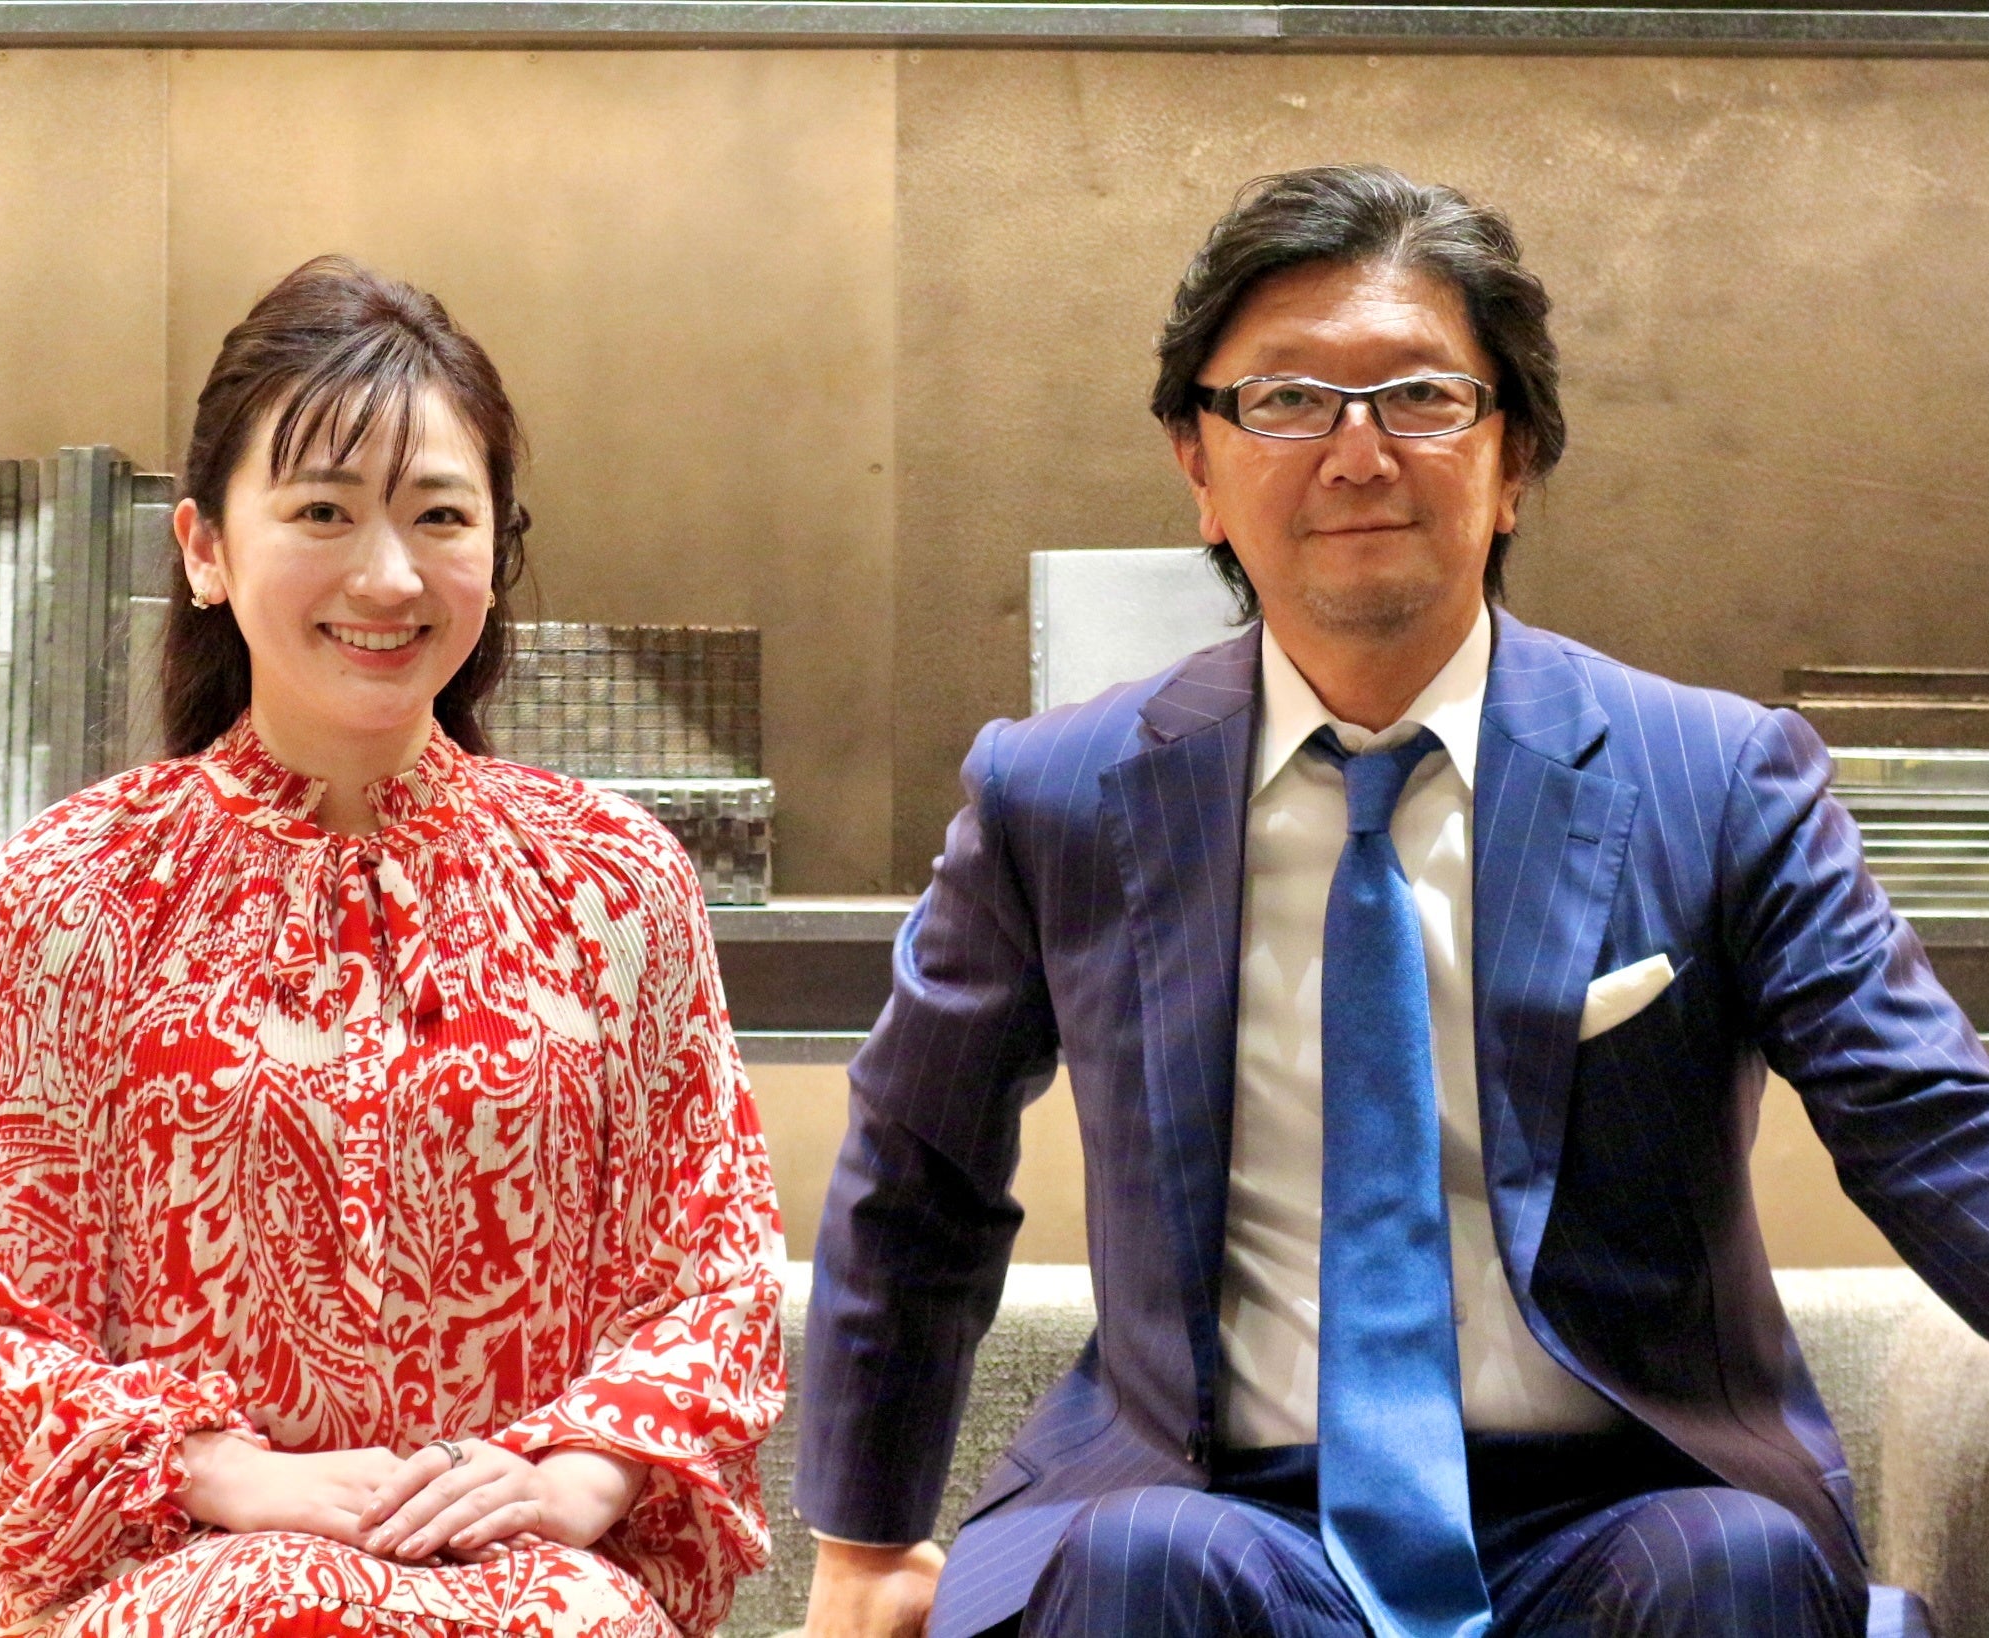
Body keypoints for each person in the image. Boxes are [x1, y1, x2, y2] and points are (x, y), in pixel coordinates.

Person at [795, 164, 1987, 1638]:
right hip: (1223, 1499)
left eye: (1422, 396)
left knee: (1728, 1566)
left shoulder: (1719, 776)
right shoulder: (1061, 792)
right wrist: (863, 1541)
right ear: (1197, 463)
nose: (1356, 454)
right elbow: (918, 1170)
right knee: (1137, 1564)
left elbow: (1931, 1122)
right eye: (1287, 401)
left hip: (1626, 1497)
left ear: (1515, 456)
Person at [0, 256, 784, 1638]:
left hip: (533, 1577)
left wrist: (577, 1474)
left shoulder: (618, 884)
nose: (387, 574)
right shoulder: (74, 890)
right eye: (323, 510)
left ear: (496, 547)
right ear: (205, 547)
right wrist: (233, 1477)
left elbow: (715, 1262)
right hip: (178, 1564)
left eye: (439, 515)